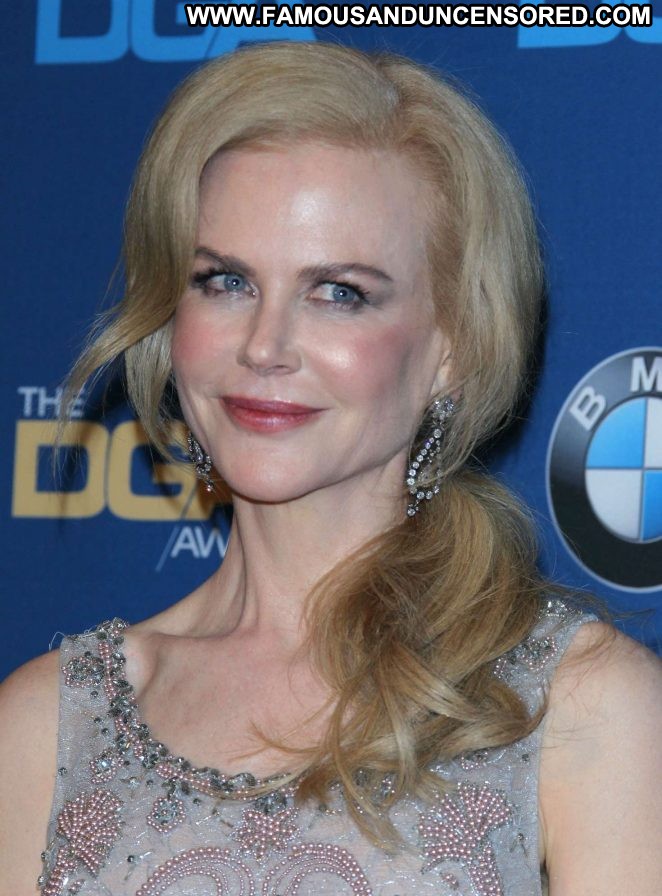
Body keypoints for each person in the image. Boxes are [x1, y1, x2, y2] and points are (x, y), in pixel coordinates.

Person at [1, 40, 660, 896]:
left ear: (453, 347)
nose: (264, 346)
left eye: (338, 292)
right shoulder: (48, 725)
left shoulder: (580, 704)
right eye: (225, 281)